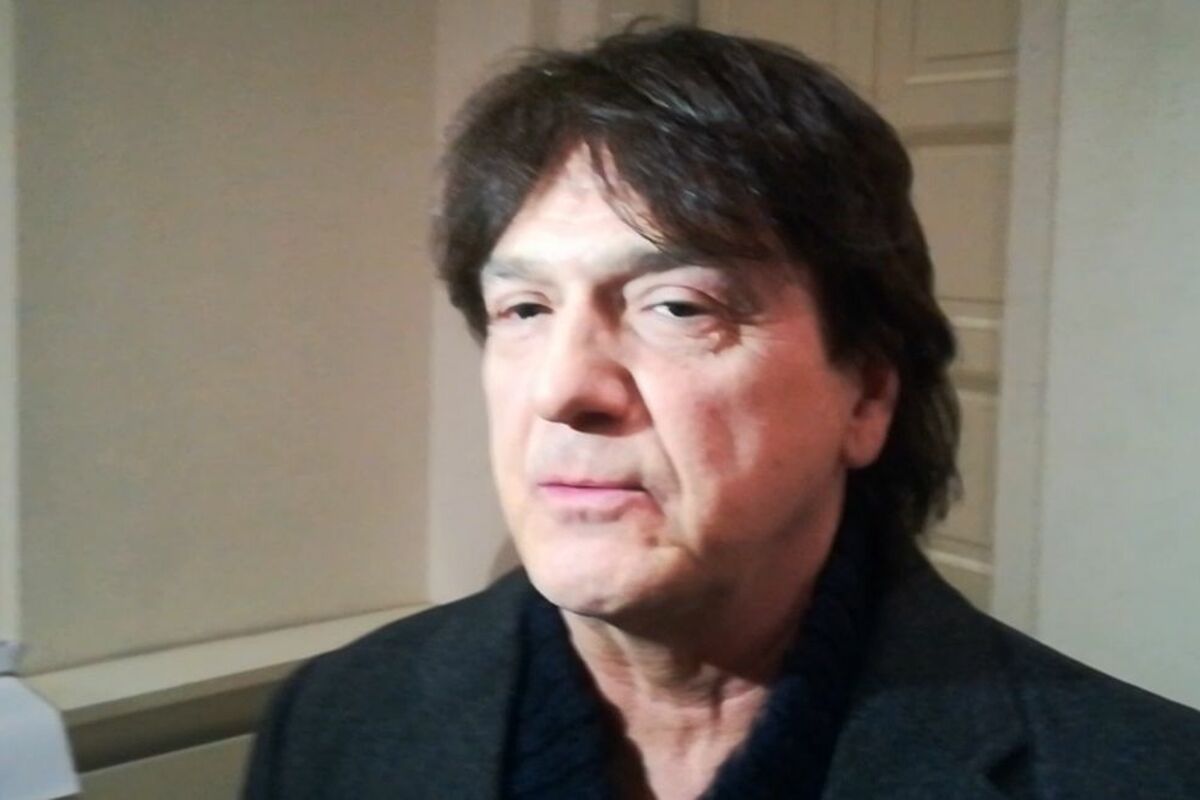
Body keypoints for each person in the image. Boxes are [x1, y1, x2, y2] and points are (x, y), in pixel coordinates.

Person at [243, 26, 1200, 800]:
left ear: (866, 395)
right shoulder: (336, 720)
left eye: (677, 307)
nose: (562, 389)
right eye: (524, 310)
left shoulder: (1145, 776)